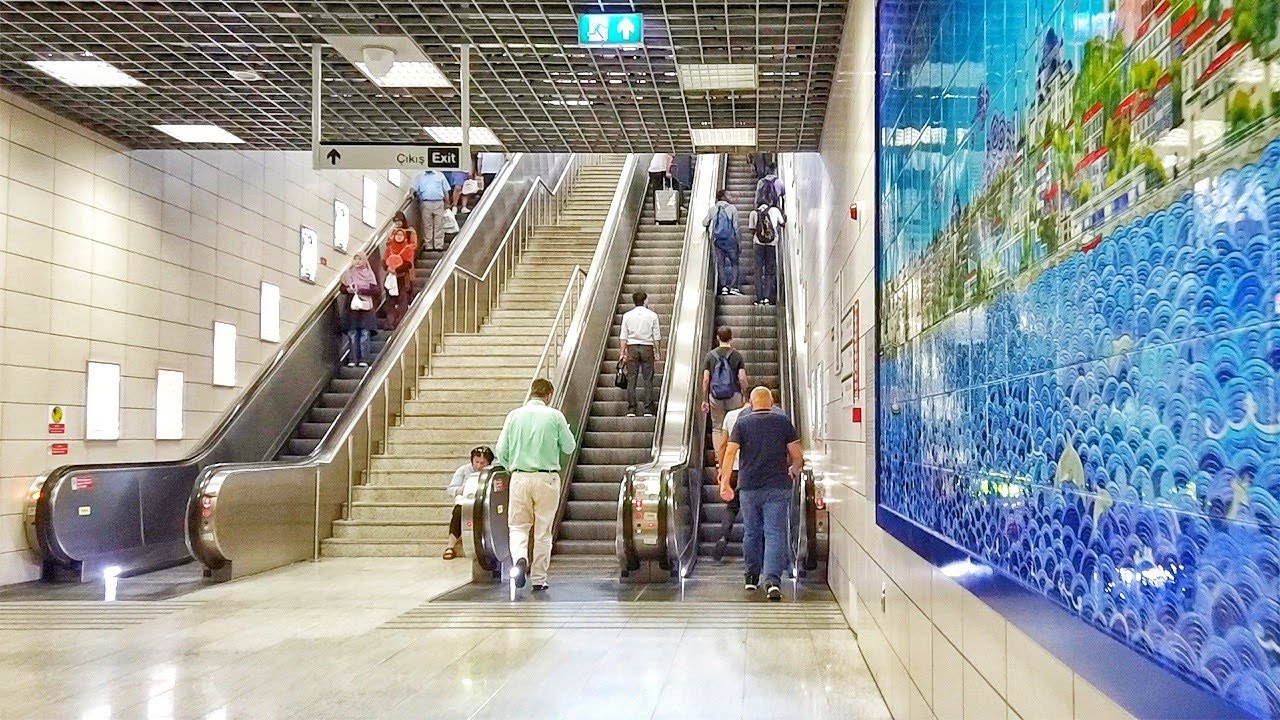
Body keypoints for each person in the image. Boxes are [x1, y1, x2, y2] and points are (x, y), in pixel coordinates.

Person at [719, 386, 802, 601]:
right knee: (774, 533)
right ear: (772, 402)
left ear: (751, 403)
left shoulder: (742, 422)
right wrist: (794, 469)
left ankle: (751, 577)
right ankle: (773, 582)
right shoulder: (783, 421)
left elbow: (729, 452)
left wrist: (725, 482)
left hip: (748, 487)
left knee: (752, 532)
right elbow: (796, 454)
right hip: (777, 486)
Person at [496, 379, 577, 592]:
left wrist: (512, 468)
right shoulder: (555, 416)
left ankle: (520, 558)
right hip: (547, 478)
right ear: (548, 395)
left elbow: (501, 450)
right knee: (543, 531)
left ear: (532, 393)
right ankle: (539, 578)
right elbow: (569, 447)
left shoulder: (514, 416)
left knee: (518, 527)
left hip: (520, 477)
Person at [702, 326, 750, 459]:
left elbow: (706, 380)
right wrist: (745, 397)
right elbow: (742, 378)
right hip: (734, 395)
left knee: (717, 428)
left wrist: (704, 399)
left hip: (715, 396)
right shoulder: (736, 355)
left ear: (717, 338)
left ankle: (720, 459)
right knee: (735, 426)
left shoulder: (710, 356)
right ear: (731, 338)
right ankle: (735, 458)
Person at [443, 445, 494, 559]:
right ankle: (450, 546)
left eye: (483, 463)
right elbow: (451, 488)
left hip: (484, 504)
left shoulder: (491, 472)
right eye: (476, 462)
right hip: (466, 503)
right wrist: (462, 490)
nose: (479, 466)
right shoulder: (463, 470)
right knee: (458, 512)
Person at [714, 403, 748, 561]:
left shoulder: (730, 416)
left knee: (731, 507)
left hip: (732, 469)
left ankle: (723, 537)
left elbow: (722, 445)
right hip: (750, 470)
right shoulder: (760, 416)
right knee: (752, 509)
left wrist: (721, 469)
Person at [619, 291, 661, 417]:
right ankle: (648, 409)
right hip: (647, 347)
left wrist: (622, 352)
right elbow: (656, 336)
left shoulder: (627, 315)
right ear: (645, 301)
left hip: (632, 348)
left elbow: (623, 336)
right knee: (648, 379)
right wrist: (657, 351)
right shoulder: (652, 315)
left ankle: (631, 409)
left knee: (632, 378)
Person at [339, 253, 380, 368]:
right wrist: (349, 289)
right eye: (355, 259)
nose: (357, 262)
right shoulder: (348, 274)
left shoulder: (369, 273)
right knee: (352, 333)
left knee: (364, 334)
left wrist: (361, 290)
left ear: (364, 261)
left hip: (365, 309)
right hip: (351, 308)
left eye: (360, 259)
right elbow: (342, 289)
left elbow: (376, 290)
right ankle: (352, 358)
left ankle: (364, 359)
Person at [703, 190, 742, 296]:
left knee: (721, 264)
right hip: (731, 241)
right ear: (724, 197)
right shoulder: (732, 209)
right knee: (734, 264)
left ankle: (724, 287)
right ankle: (733, 287)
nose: (730, 196)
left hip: (718, 241)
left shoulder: (713, 209)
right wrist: (739, 242)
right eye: (728, 194)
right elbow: (736, 227)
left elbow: (704, 223)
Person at [383, 211, 417, 328]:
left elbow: (408, 262)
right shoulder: (390, 247)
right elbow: (385, 260)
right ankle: (390, 322)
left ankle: (401, 321)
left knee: (403, 298)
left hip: (403, 276)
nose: (398, 237)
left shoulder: (408, 243)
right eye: (395, 221)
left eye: (401, 235)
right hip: (391, 276)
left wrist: (396, 269)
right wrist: (388, 267)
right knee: (390, 300)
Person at [748, 202, 784, 306]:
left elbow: (751, 229)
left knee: (758, 271)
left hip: (758, 244)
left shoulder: (754, 213)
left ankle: (759, 298)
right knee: (769, 271)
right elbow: (782, 223)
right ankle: (767, 298)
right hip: (771, 244)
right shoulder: (774, 210)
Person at [413, 169, 452, 251]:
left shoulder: (440, 175)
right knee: (427, 225)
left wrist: (447, 202)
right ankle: (428, 245)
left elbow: (445, 190)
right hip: (425, 202)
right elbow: (415, 190)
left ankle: (438, 245)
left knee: (439, 224)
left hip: (439, 201)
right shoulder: (419, 177)